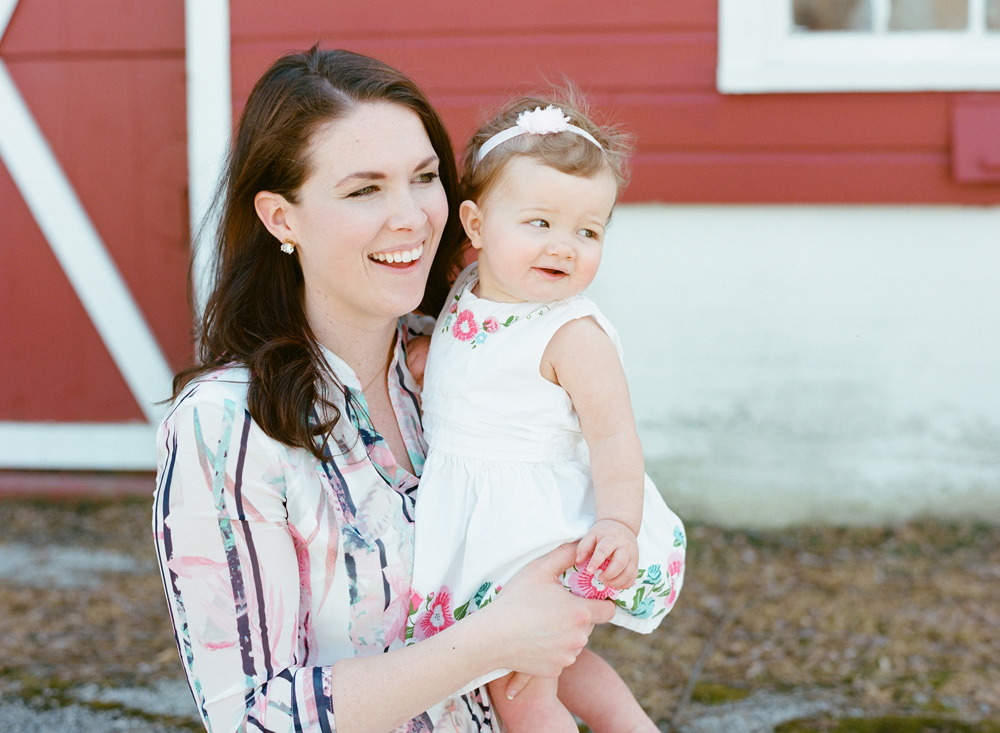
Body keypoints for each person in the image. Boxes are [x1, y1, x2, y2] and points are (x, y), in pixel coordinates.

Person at [151, 48, 617, 733]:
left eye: (424, 177)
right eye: (364, 189)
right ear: (282, 218)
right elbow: (254, 717)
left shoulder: (465, 363)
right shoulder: (228, 427)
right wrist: (495, 637)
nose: (411, 217)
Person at [405, 95, 687, 731]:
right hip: (480, 518)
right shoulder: (466, 292)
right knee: (556, 660)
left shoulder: (572, 334)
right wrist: (432, 358)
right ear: (476, 227)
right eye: (539, 223)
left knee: (518, 685)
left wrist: (618, 522)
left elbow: (614, 438)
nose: (565, 245)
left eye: (588, 231)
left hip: (537, 531)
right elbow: (476, 361)